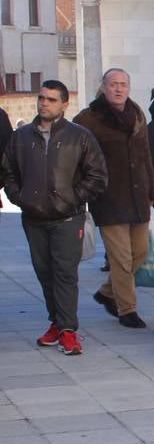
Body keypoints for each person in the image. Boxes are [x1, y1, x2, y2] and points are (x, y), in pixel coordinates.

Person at [0, 80, 107, 355]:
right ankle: (56, 323)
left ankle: (69, 330)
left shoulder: (79, 136)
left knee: (64, 273)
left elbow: (97, 176)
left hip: (67, 219)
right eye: (41, 98)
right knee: (44, 272)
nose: (44, 103)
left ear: (63, 104)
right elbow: (7, 171)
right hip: (34, 218)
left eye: (51, 99)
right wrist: (19, 197)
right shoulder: (21, 136)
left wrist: (72, 198)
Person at [73, 68, 154, 329]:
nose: (118, 89)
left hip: (138, 195)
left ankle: (108, 292)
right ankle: (127, 309)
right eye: (113, 84)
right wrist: (85, 191)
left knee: (140, 253)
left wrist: (152, 190)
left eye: (123, 84)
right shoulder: (89, 118)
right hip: (109, 197)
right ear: (104, 87)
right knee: (121, 257)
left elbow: (145, 156)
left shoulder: (137, 114)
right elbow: (75, 155)